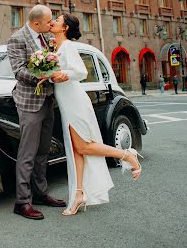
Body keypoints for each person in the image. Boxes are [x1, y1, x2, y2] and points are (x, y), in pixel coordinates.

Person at [48, 13, 142, 216]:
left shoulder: (68, 47)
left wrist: (65, 75)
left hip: (75, 101)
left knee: (82, 146)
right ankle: (79, 194)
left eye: (57, 19)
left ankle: (128, 155)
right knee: (76, 151)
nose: (53, 21)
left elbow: (81, 72)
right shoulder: (55, 47)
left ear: (64, 28)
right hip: (66, 102)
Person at [7, 5, 69, 220]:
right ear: (36, 23)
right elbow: (18, 70)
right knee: (27, 154)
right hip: (29, 103)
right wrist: (42, 76)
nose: (51, 24)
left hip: (47, 101)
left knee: (43, 151)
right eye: (48, 21)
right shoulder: (17, 38)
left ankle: (41, 193)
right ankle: (22, 202)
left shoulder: (45, 38)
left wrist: (52, 72)